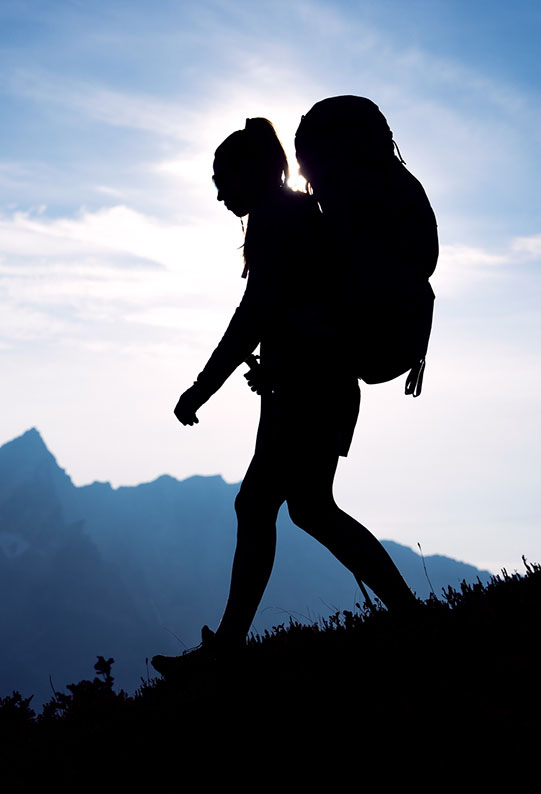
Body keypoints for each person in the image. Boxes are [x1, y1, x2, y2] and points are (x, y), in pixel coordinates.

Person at [151, 116, 418, 677]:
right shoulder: (293, 216)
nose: (219, 192)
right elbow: (291, 312)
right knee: (310, 509)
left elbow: (255, 313)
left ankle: (227, 650)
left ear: (254, 171)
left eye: (224, 178)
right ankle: (412, 616)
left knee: (263, 505)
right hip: (316, 385)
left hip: (308, 389)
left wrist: (202, 387)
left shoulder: (279, 219)